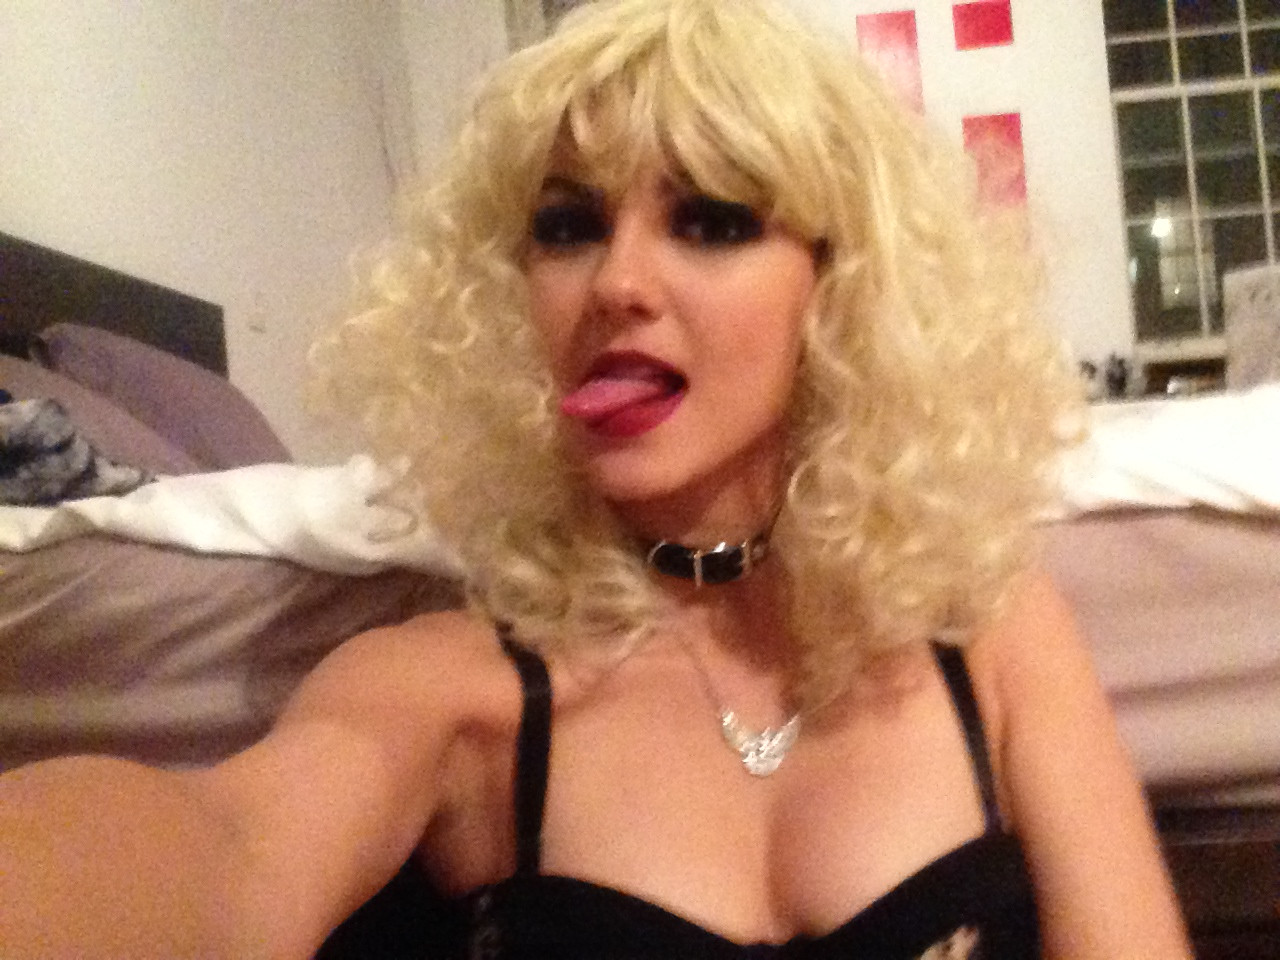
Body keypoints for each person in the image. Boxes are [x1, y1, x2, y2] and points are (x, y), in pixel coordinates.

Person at [0, 0, 1191, 957]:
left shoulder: (993, 636)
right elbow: (228, 849)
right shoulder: (446, 691)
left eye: (711, 222)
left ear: (840, 290)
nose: (617, 282)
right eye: (568, 226)